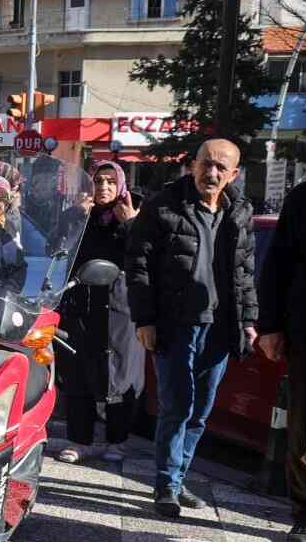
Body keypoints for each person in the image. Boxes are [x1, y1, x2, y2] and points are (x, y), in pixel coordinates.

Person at [126, 138, 258, 519]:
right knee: (176, 406)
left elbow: (245, 274)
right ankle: (166, 484)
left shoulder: (239, 212)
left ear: (234, 174)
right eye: (206, 164)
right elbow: (138, 266)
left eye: (221, 168)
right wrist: (145, 319)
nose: (211, 173)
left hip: (219, 327)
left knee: (201, 411)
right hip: (175, 325)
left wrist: (248, 321)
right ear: (193, 165)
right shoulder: (163, 205)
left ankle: (179, 476)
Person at [55, 161, 144, 464]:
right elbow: (55, 248)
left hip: (120, 308)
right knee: (78, 371)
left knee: (119, 372)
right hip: (82, 305)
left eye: (109, 181)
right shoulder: (82, 216)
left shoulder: (133, 214)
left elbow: (146, 257)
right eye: (98, 181)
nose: (103, 187)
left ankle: (116, 440)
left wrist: (131, 223)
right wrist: (73, 218)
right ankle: (79, 439)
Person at [257, 175, 306, 542]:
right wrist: (271, 326)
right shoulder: (302, 199)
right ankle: (305, 514)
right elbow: (277, 267)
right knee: (304, 434)